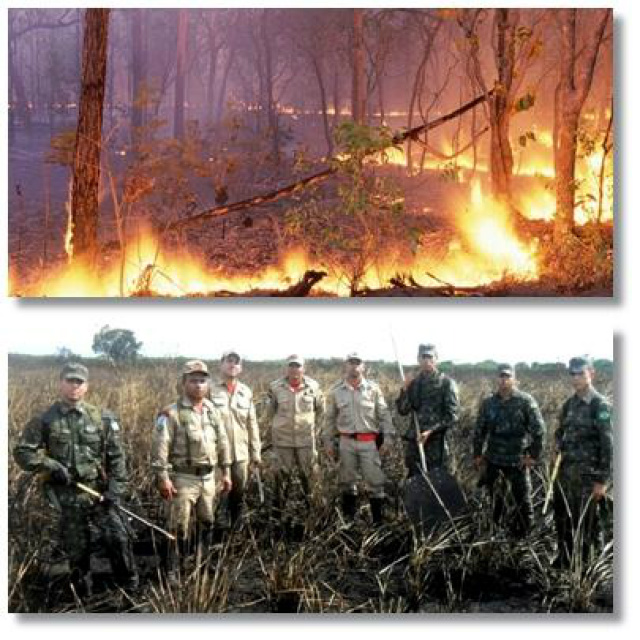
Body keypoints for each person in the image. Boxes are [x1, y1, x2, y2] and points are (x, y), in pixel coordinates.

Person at [13, 363, 138, 596]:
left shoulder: (101, 417)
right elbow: (22, 453)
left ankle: (128, 587)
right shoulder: (44, 419)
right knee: (77, 548)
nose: (74, 387)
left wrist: (115, 490)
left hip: (99, 492)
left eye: (79, 382)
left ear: (86, 387)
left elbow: (117, 457)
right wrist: (50, 465)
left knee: (119, 537)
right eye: (69, 381)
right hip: (67, 495)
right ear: (60, 383)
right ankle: (83, 593)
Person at [151, 360, 232, 576]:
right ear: (184, 383)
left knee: (207, 521)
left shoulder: (211, 411)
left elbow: (222, 442)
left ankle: (201, 562)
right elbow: (160, 449)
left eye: (202, 381)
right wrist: (163, 478)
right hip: (182, 478)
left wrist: (226, 473)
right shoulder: (171, 413)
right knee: (179, 525)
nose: (198, 385)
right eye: (193, 380)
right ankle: (173, 569)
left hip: (208, 477)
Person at [552, 356, 613, 568]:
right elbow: (561, 432)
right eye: (573, 374)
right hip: (567, 474)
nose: (576, 378)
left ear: (591, 374)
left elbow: (609, 445)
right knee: (563, 518)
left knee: (588, 524)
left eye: (581, 373)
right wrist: (558, 443)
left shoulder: (600, 405)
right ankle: (565, 559)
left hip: (589, 477)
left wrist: (602, 481)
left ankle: (590, 567)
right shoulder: (569, 404)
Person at [473, 364, 546, 539]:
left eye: (507, 377)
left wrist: (533, 456)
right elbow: (479, 431)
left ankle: (524, 537)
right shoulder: (488, 403)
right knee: (494, 500)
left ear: (514, 379)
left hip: (517, 462)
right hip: (493, 460)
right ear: (497, 379)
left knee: (523, 500)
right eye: (501, 376)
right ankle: (495, 534)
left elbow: (539, 431)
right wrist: (477, 455)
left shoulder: (525, 401)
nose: (504, 380)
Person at [322, 352, 394, 525]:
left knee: (376, 484)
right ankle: (349, 523)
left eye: (357, 363)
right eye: (350, 363)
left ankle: (378, 523)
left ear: (363, 367)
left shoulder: (373, 390)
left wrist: (388, 439)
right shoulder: (336, 391)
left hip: (369, 443)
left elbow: (384, 415)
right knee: (347, 483)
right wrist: (328, 442)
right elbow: (329, 419)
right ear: (345, 366)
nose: (354, 366)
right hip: (346, 443)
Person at [266, 355, 324, 518]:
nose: (294, 369)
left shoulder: (313, 387)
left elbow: (321, 411)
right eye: (291, 366)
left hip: (306, 442)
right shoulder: (275, 387)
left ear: (303, 369)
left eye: (298, 366)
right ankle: (278, 516)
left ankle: (312, 515)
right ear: (286, 368)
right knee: (281, 481)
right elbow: (270, 412)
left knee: (310, 479)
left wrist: (315, 431)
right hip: (283, 442)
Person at [210, 350, 262, 528]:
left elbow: (252, 424)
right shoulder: (209, 389)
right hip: (216, 454)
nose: (232, 365)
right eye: (229, 361)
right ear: (221, 364)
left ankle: (235, 532)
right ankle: (215, 530)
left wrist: (255, 453)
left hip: (241, 453)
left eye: (236, 362)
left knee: (238, 494)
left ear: (241, 368)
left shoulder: (245, 392)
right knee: (217, 493)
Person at [396, 344, 459, 476]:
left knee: (437, 478)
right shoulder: (414, 383)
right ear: (418, 359)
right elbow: (403, 410)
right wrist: (404, 389)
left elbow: (452, 416)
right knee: (414, 477)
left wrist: (430, 432)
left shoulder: (446, 383)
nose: (426, 361)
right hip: (416, 441)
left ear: (436, 359)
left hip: (437, 442)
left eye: (430, 357)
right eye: (423, 357)